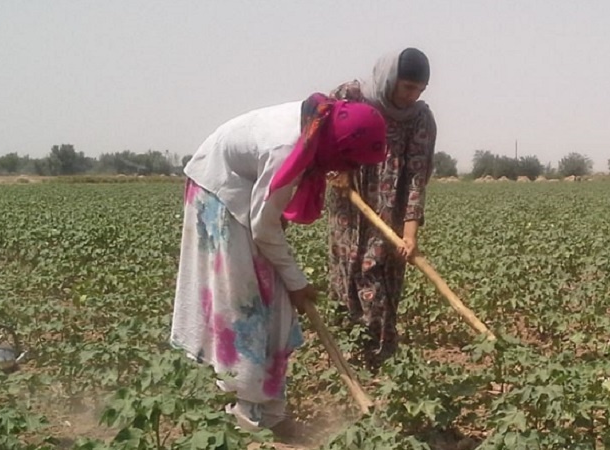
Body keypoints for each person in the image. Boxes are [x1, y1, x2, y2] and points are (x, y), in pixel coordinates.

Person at [169, 92, 387, 438]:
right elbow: (263, 226)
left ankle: (272, 411)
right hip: (218, 192)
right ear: (338, 146)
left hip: (247, 193)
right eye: (350, 162)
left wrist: (291, 281)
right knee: (242, 304)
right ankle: (245, 416)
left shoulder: (317, 127)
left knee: (275, 301)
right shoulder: (286, 147)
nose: (348, 171)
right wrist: (298, 281)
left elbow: (268, 217)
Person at [326, 48, 437, 369]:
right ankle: (345, 358)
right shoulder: (349, 97)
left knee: (376, 278)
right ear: (390, 79)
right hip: (349, 206)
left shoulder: (419, 118)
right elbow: (321, 134)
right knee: (346, 275)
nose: (412, 96)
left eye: (419, 90)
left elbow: (417, 175)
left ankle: (378, 360)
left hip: (389, 213)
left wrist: (411, 231)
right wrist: (340, 168)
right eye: (407, 87)